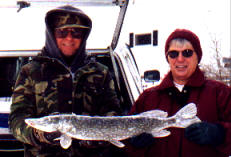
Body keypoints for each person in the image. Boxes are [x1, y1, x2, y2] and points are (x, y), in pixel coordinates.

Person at [9, 5, 125, 157]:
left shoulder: (100, 72)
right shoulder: (31, 72)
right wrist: (40, 135)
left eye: (76, 33)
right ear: (52, 34)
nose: (69, 38)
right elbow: (17, 120)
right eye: (62, 32)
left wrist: (101, 136)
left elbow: (112, 111)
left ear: (83, 36)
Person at [125, 29, 231, 157]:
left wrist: (220, 133)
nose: (180, 59)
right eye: (173, 54)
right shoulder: (147, 98)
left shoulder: (220, 93)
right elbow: (124, 146)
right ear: (168, 58)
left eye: (187, 53)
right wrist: (133, 143)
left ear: (198, 56)